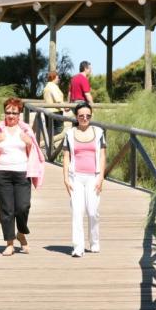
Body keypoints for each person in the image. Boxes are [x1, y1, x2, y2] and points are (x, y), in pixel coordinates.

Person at [0, 97, 45, 257]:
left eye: (14, 112)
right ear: (4, 113)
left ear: (19, 114)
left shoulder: (26, 131)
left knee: (23, 207)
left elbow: (34, 154)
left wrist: (29, 144)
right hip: (3, 173)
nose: (11, 115)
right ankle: (10, 243)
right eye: (8, 112)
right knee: (6, 210)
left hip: (22, 173)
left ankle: (21, 233)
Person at [62, 102, 106, 258]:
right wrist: (66, 178)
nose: (85, 118)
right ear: (76, 117)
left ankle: (94, 241)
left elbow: (102, 156)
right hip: (76, 177)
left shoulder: (99, 132)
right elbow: (66, 157)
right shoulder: (70, 134)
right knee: (77, 211)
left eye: (88, 115)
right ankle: (78, 247)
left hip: (93, 176)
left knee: (93, 212)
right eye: (81, 116)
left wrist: (101, 178)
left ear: (91, 116)